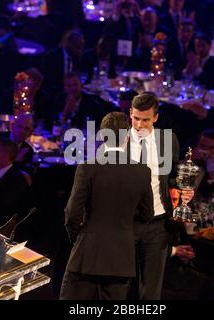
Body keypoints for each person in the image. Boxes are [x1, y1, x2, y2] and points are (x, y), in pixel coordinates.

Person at [60, 112, 154, 300]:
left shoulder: (88, 168)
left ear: (103, 136)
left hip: (86, 256)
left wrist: (78, 238)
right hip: (121, 260)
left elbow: (72, 214)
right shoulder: (142, 172)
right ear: (127, 136)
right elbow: (147, 214)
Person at [129, 92, 191, 299]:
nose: (139, 125)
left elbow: (172, 176)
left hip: (157, 225)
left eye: (145, 119)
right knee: (120, 287)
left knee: (151, 293)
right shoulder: (119, 142)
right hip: (125, 224)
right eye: (135, 118)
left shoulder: (168, 141)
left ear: (155, 118)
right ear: (130, 113)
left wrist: (180, 190)